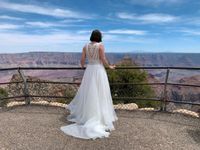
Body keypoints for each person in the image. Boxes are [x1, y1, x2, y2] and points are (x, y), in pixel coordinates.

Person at [60, 29, 118, 140]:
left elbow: (82, 60)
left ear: (92, 36)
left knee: (89, 92)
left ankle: (88, 115)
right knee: (100, 91)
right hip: (98, 70)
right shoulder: (100, 46)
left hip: (89, 70)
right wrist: (109, 67)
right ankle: (100, 115)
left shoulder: (85, 46)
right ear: (99, 37)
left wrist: (83, 66)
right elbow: (103, 58)